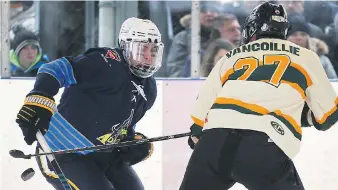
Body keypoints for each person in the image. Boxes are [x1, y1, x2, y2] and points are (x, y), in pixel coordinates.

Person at [180, 2, 338, 190]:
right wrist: (303, 116)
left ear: (252, 29)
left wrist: (198, 135)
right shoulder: (306, 57)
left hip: (213, 143)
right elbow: (328, 117)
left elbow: (199, 117)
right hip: (264, 146)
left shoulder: (230, 57)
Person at [15, 17, 164, 190]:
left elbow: (123, 125)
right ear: (125, 47)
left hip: (104, 155)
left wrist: (131, 143)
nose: (147, 57)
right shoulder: (106, 63)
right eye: (142, 49)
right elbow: (54, 69)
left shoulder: (149, 89)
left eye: (153, 51)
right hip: (62, 153)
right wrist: (39, 99)